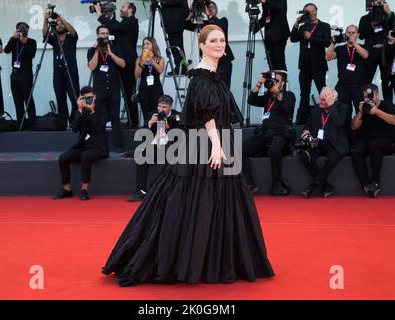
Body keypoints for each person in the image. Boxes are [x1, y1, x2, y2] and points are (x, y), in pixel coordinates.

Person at [102, 25, 274, 286]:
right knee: (196, 202)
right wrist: (216, 146)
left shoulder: (213, 76)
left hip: (215, 143)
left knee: (216, 202)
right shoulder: (202, 79)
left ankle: (211, 260)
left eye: (222, 40)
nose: (219, 44)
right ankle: (185, 260)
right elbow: (208, 117)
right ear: (202, 45)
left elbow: (209, 114)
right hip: (206, 146)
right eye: (213, 40)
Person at [243, 71, 295, 196]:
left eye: (277, 81)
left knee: (274, 150)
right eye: (273, 80)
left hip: (281, 133)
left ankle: (277, 183)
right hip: (265, 132)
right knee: (242, 149)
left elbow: (287, 109)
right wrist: (260, 83)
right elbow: (251, 100)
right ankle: (249, 183)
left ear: (283, 83)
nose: (273, 83)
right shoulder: (267, 97)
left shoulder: (289, 95)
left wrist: (276, 91)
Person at [54, 86, 109, 201]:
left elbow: (99, 128)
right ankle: (67, 189)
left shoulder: (102, 109)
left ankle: (84, 189)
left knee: (86, 156)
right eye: (85, 98)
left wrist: (92, 111)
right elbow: (74, 129)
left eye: (90, 98)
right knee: (63, 158)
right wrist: (79, 110)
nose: (88, 100)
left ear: (95, 96)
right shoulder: (80, 109)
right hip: (83, 145)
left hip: (97, 147)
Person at [128, 95, 180, 202]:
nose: (161, 109)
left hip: (171, 147)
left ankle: (166, 192)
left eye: (164, 107)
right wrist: (150, 123)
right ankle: (141, 191)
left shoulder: (177, 116)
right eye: (159, 106)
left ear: (170, 106)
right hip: (156, 146)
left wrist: (168, 128)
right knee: (142, 158)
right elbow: (143, 134)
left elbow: (180, 136)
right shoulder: (152, 114)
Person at [300, 87, 349, 198]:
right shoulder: (316, 108)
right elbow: (308, 123)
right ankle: (326, 186)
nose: (320, 102)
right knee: (304, 157)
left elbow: (339, 123)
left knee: (332, 159)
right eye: (320, 98)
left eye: (323, 100)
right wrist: (306, 131)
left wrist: (331, 106)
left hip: (335, 144)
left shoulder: (342, 108)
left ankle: (313, 186)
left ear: (333, 99)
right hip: (319, 143)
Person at [350, 84, 395, 198]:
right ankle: (366, 185)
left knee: (374, 145)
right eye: (366, 97)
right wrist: (361, 112)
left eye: (370, 96)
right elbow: (353, 127)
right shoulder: (364, 108)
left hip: (387, 142)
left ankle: (375, 182)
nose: (369, 99)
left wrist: (377, 112)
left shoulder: (387, 105)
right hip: (368, 141)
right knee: (356, 151)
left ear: (377, 94)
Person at [96, 2, 139, 128]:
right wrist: (109, 15)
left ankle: (133, 121)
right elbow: (113, 27)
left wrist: (100, 13)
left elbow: (116, 26)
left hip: (128, 63)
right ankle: (112, 119)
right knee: (114, 91)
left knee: (128, 91)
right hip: (117, 61)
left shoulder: (132, 21)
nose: (121, 9)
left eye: (124, 7)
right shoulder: (123, 24)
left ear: (130, 10)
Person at [290, 3, 331, 125]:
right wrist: (296, 24)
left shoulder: (324, 26)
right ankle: (302, 120)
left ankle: (327, 119)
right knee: (304, 94)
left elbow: (327, 42)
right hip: (304, 65)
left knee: (322, 92)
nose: (312, 14)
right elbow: (293, 39)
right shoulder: (303, 27)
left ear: (316, 11)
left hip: (318, 65)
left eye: (313, 11)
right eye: (308, 12)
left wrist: (311, 37)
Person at [87, 25, 126, 152]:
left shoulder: (115, 48)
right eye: (102, 33)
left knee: (115, 117)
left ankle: (118, 146)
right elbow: (92, 67)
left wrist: (110, 53)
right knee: (101, 119)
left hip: (114, 88)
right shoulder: (92, 50)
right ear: (97, 35)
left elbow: (123, 64)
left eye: (106, 33)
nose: (104, 36)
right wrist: (98, 51)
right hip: (100, 90)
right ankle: (100, 146)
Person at [326, 25, 369, 133]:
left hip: (359, 86)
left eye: (353, 33)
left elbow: (365, 55)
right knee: (344, 113)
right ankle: (346, 137)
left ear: (358, 34)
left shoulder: (362, 47)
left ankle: (360, 137)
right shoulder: (340, 48)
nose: (350, 34)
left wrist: (354, 43)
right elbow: (328, 57)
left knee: (362, 112)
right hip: (343, 86)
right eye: (348, 32)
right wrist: (333, 42)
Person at [185, 1, 235, 88]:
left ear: (217, 10)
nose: (210, 9)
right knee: (209, 89)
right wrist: (192, 12)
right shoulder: (203, 24)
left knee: (224, 89)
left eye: (212, 7)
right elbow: (186, 25)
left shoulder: (223, 20)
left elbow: (219, 26)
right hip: (209, 62)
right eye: (208, 7)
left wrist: (209, 15)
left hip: (223, 62)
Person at [43, 12, 80, 127]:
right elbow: (45, 34)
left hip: (71, 72)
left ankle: (74, 123)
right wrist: (46, 20)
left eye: (61, 23)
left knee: (74, 98)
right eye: (57, 23)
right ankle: (63, 123)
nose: (59, 24)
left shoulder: (71, 38)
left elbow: (73, 31)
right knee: (60, 99)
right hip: (58, 73)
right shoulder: (54, 38)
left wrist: (61, 18)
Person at [358, 0, 395, 102]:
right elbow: (361, 35)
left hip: (385, 52)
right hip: (370, 52)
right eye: (375, 2)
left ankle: (388, 106)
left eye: (380, 2)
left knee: (387, 81)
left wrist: (389, 13)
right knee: (366, 80)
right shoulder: (365, 18)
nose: (378, 4)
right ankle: (367, 105)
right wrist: (372, 25)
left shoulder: (388, 16)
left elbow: (393, 28)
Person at [4, 22, 37, 127]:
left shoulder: (31, 42)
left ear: (27, 31)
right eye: (19, 29)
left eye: (23, 29)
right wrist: (13, 38)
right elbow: (6, 50)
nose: (21, 31)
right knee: (17, 100)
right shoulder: (14, 41)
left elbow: (31, 55)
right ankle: (20, 124)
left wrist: (24, 41)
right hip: (14, 75)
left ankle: (32, 123)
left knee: (28, 99)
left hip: (26, 74)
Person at [134, 37, 165, 122]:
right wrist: (142, 62)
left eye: (147, 44)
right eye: (144, 44)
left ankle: (159, 134)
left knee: (159, 113)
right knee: (146, 114)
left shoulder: (160, 58)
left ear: (153, 45)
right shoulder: (139, 59)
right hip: (144, 89)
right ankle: (147, 132)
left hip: (156, 89)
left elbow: (160, 70)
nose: (145, 46)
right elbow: (136, 75)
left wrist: (151, 60)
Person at [256, 0, 290, 71]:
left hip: (279, 35)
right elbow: (265, 17)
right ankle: (274, 81)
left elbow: (279, 7)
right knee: (270, 62)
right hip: (268, 36)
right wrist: (255, 27)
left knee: (279, 61)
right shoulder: (266, 2)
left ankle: (282, 82)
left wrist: (265, 1)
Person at [159, 0, 189, 75]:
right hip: (171, 21)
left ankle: (181, 68)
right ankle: (180, 67)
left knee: (177, 45)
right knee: (174, 46)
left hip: (176, 20)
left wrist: (162, 1)